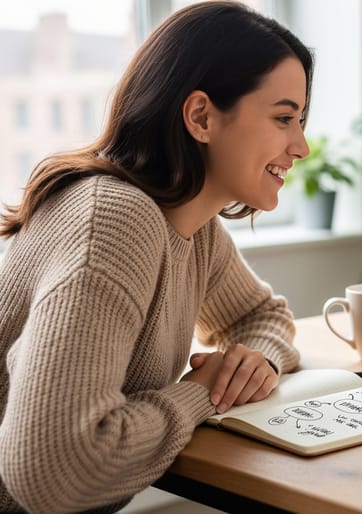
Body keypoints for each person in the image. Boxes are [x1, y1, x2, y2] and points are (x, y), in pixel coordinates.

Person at [0, 3, 311, 511]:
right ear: (201, 116)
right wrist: (202, 395)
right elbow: (51, 470)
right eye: (283, 118)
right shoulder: (115, 222)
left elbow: (262, 316)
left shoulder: (192, 228)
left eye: (299, 121)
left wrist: (254, 364)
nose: (300, 146)